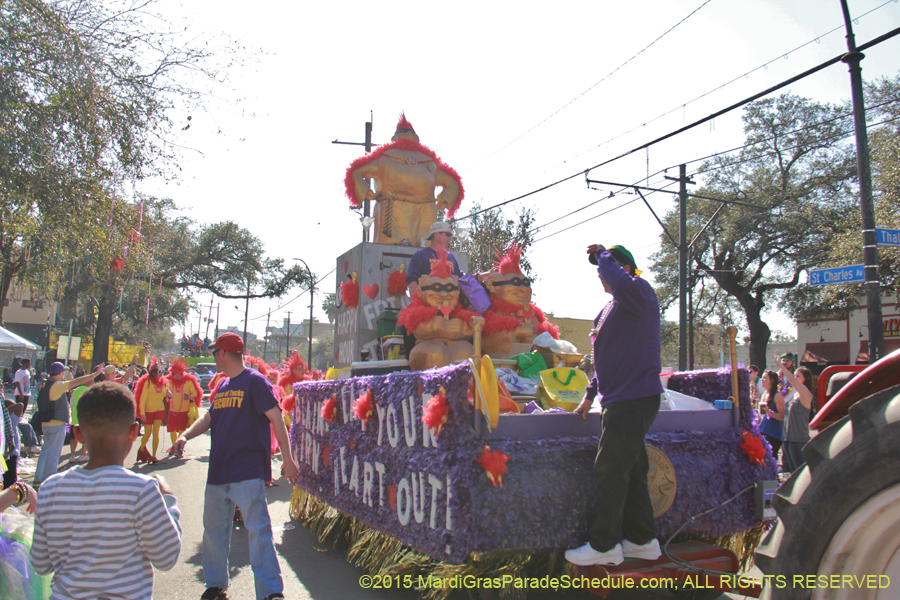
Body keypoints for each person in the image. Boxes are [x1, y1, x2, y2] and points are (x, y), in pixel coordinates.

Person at [174, 332, 299, 600]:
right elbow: (209, 418)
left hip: (247, 472)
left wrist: (287, 460)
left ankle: (270, 592)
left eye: (214, 352)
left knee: (259, 532)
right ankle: (216, 586)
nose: (213, 357)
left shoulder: (255, 382)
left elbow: (277, 419)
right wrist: (185, 436)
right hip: (218, 473)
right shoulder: (222, 386)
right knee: (214, 533)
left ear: (222, 353)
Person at [31, 382, 182, 599]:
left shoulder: (50, 490)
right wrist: (169, 502)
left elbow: (41, 564)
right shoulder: (142, 490)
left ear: (78, 434)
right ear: (134, 432)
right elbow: (166, 558)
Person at [566, 244, 665, 567]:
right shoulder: (613, 307)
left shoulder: (640, 292)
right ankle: (641, 540)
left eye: (604, 269)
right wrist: (589, 395)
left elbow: (620, 279)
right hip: (622, 397)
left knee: (608, 469)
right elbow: (603, 358)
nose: (600, 275)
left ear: (623, 268)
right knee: (633, 470)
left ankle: (605, 545)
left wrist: (603, 254)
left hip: (633, 397)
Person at [33, 362, 102, 486]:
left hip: (46, 422)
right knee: (54, 453)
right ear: (60, 373)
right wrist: (93, 375)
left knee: (45, 451)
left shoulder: (45, 384)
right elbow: (76, 382)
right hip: (56, 422)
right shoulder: (56, 385)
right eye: (63, 372)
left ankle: (39, 478)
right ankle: (49, 480)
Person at [405, 221, 463, 296]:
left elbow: (460, 278)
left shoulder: (451, 257)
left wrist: (478, 276)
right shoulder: (420, 255)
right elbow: (412, 280)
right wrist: (415, 303)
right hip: (428, 303)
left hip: (448, 303)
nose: (451, 238)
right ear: (437, 235)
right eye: (448, 235)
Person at [779, 365, 813, 473]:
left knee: (800, 472)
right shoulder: (794, 395)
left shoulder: (806, 394)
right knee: (793, 471)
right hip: (788, 438)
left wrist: (780, 365)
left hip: (798, 439)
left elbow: (792, 380)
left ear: (805, 379)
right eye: (795, 375)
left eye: (798, 376)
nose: (795, 378)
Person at [165, 359, 202, 457]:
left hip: (184, 410)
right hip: (172, 410)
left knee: (182, 430)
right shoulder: (168, 381)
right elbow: (161, 394)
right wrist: (166, 394)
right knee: (172, 429)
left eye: (178, 374)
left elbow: (195, 394)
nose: (175, 376)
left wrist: (189, 397)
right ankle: (174, 446)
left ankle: (179, 447)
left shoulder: (188, 381)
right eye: (173, 373)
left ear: (182, 374)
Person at [135, 359, 169, 464]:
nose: (161, 374)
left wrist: (169, 395)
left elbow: (164, 395)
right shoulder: (148, 382)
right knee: (148, 433)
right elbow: (142, 399)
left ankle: (154, 456)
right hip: (148, 411)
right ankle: (141, 449)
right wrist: (142, 413)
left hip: (159, 409)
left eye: (161, 372)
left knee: (156, 433)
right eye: (159, 372)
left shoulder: (163, 383)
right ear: (153, 372)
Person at [758, 370, 785, 465]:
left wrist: (770, 412)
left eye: (765, 378)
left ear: (772, 380)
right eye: (762, 377)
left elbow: (783, 416)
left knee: (771, 459)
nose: (762, 380)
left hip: (773, 433)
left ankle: (774, 477)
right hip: (763, 430)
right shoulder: (765, 394)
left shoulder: (777, 396)